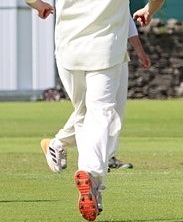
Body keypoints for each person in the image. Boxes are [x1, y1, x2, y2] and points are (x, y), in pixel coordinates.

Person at [21, 0, 166, 222]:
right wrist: (146, 12)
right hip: (106, 53)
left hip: (68, 53)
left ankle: (68, 155)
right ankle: (91, 173)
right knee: (102, 116)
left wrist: (41, 6)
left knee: (87, 114)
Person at [40, 18, 152, 174]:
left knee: (112, 109)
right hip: (91, 52)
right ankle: (64, 145)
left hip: (116, 53)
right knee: (96, 108)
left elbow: (126, 18)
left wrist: (139, 51)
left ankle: (105, 156)